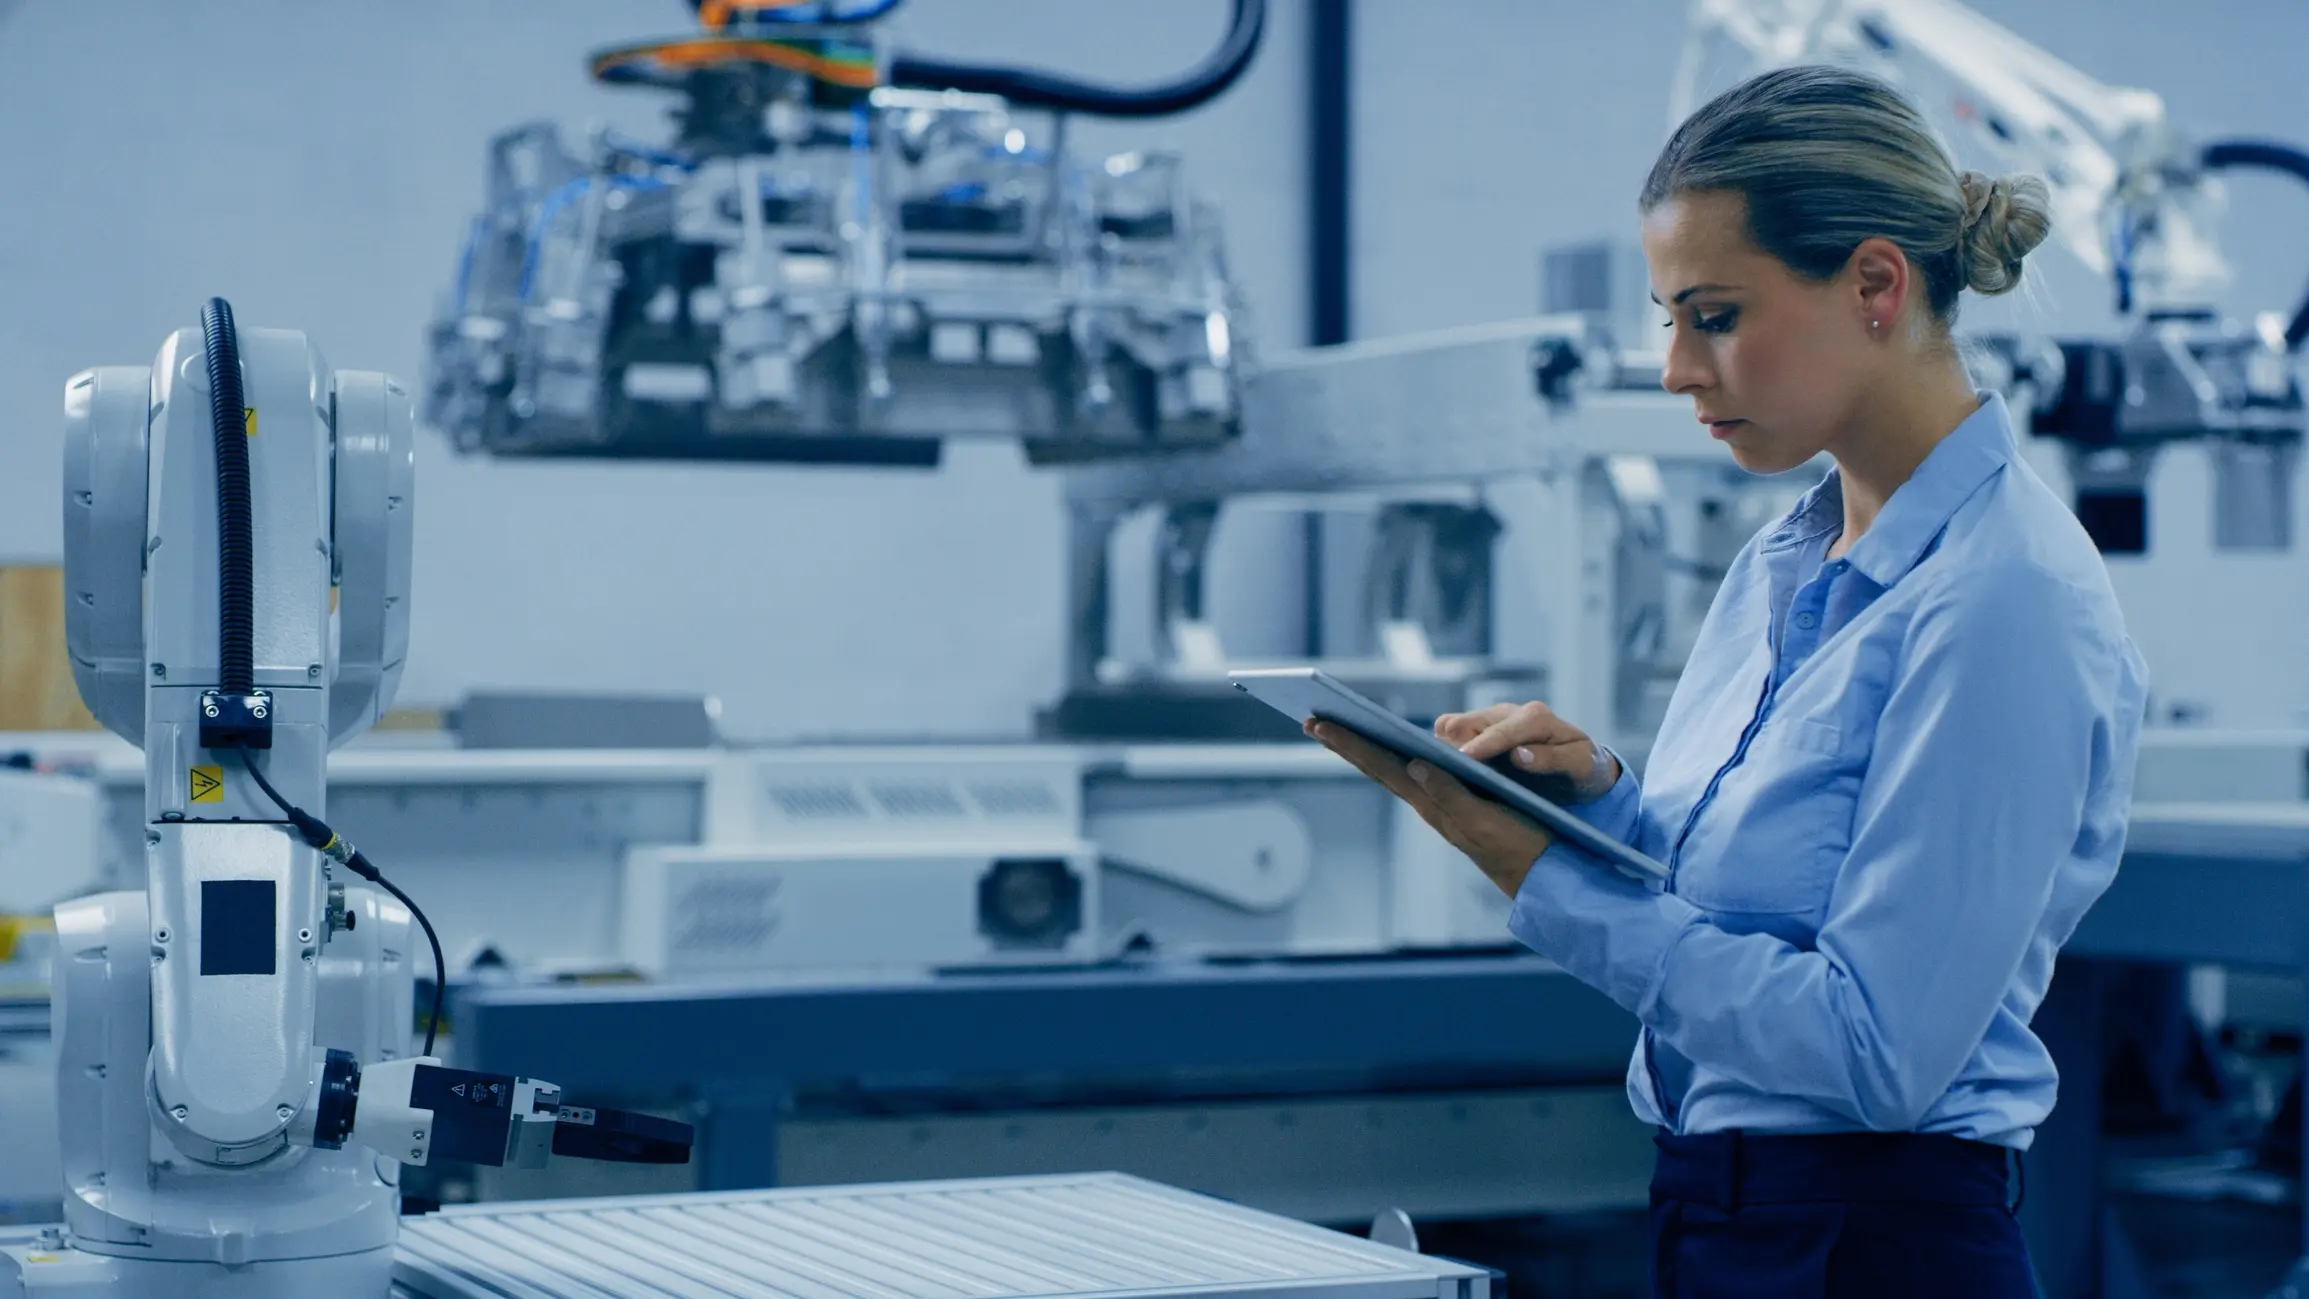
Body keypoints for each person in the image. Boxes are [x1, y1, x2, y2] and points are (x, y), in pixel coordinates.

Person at [1309, 65, 2147, 1297]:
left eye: (1710, 315)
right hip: (1727, 1212)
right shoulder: (1787, 555)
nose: (1673, 369)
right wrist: (1593, 806)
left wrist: (1541, 881)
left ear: (1874, 286)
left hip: (1875, 1242)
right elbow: (1747, 902)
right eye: (1667, 317)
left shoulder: (2000, 599)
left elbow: (1871, 1055)